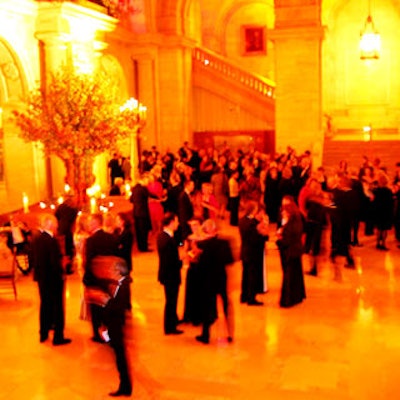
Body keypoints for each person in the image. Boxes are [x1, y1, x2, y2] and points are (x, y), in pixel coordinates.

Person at [31, 213, 72, 345]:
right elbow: (54, 262)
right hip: (53, 279)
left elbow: (34, 259)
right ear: (50, 224)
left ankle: (43, 333)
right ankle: (58, 337)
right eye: (55, 223)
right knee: (57, 307)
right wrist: (62, 270)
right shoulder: (51, 240)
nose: (57, 226)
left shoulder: (36, 238)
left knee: (45, 305)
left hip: (42, 278)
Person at [195, 219, 235, 344]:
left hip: (207, 280)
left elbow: (198, 264)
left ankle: (205, 335)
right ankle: (229, 334)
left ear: (206, 230)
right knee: (225, 305)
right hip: (221, 278)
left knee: (207, 307)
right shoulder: (224, 243)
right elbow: (230, 261)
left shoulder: (201, 245)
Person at [83, 213, 119, 343]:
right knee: (108, 306)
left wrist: (86, 279)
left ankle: (98, 335)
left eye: (90, 222)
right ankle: (110, 332)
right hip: (109, 278)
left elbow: (90, 262)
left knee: (96, 308)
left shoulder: (91, 241)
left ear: (96, 223)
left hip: (95, 280)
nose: (88, 225)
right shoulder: (111, 238)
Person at [276, 196, 306, 308]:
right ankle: (297, 296)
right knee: (295, 275)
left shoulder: (292, 223)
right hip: (295, 251)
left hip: (290, 252)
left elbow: (287, 239)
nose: (282, 213)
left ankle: (288, 300)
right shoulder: (295, 220)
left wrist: (279, 238)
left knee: (289, 277)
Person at [157, 212, 184, 335]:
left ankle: (173, 321)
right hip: (170, 276)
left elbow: (177, 243)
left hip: (166, 275)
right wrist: (181, 261)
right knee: (171, 301)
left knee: (171, 300)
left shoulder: (163, 236)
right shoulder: (168, 241)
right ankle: (170, 327)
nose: (178, 223)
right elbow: (170, 262)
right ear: (172, 222)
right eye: (177, 221)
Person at [238, 201, 269, 306]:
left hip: (245, 251)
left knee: (245, 275)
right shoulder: (251, 224)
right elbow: (255, 238)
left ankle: (244, 296)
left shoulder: (242, 221)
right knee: (252, 276)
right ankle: (251, 298)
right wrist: (264, 236)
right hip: (253, 253)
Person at [182, 217, 205, 325]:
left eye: (196, 225)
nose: (194, 227)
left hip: (203, 268)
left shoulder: (205, 238)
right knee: (191, 292)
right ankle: (191, 315)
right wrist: (187, 260)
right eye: (192, 225)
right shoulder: (189, 238)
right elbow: (185, 252)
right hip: (193, 268)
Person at [55, 196, 78, 275]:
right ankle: (68, 268)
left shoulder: (60, 207)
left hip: (59, 231)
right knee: (69, 250)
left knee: (60, 250)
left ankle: (61, 267)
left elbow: (56, 217)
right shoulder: (74, 210)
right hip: (68, 232)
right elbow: (73, 222)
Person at [130, 175, 152, 252]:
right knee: (144, 230)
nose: (148, 183)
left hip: (136, 212)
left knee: (138, 230)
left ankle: (140, 246)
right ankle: (144, 247)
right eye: (147, 181)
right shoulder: (143, 189)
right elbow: (149, 196)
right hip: (143, 212)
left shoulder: (134, 188)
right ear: (143, 180)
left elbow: (131, 200)